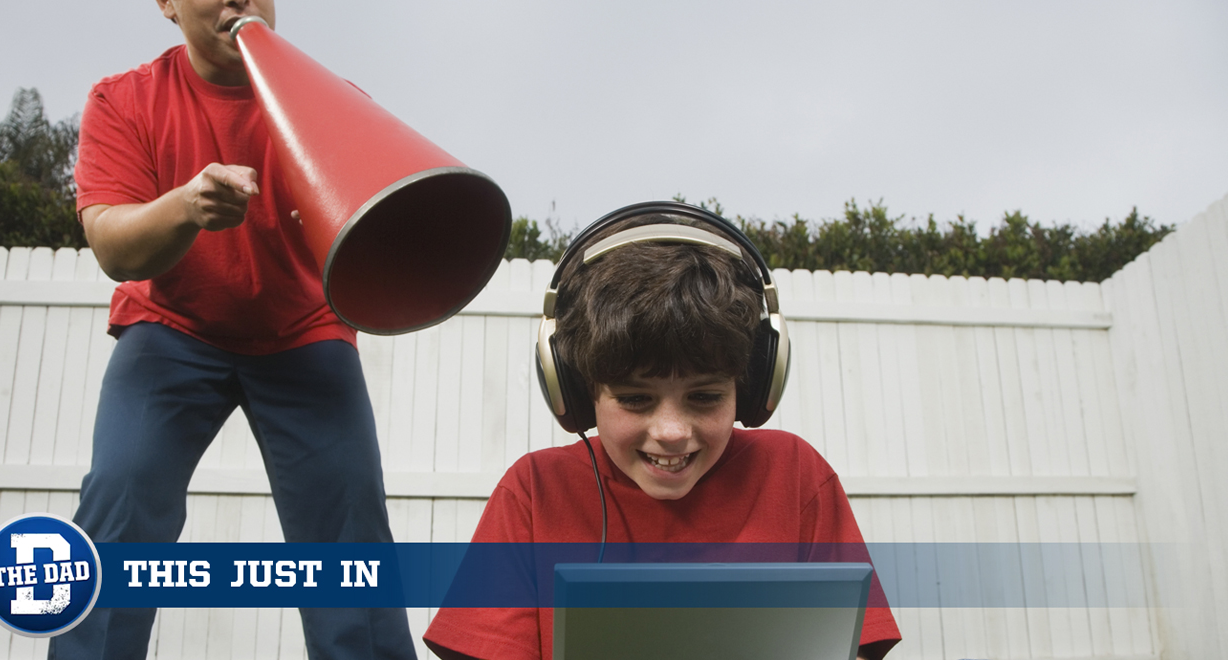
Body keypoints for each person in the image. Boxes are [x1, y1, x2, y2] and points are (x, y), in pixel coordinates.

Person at [47, 1, 416, 658]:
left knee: (350, 535)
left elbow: (376, 234)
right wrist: (185, 207)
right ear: (167, 5)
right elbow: (114, 249)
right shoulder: (124, 101)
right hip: (172, 328)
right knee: (121, 497)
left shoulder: (330, 103)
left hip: (303, 333)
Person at [423, 202, 901, 660]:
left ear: (751, 385)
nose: (671, 431)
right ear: (578, 390)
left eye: (705, 397)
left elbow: (855, 646)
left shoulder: (796, 475)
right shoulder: (532, 493)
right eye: (634, 399)